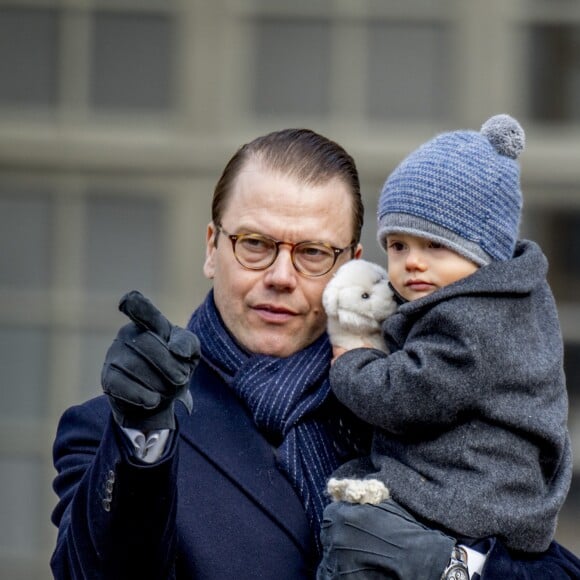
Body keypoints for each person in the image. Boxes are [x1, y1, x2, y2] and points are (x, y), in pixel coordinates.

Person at [50, 126, 580, 579]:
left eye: (311, 253)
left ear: (351, 264)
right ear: (213, 247)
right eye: (255, 243)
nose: (280, 277)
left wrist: (453, 567)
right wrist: (143, 439)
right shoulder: (110, 434)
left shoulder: (416, 394)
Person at [317, 115, 578, 580]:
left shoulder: (471, 321)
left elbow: (406, 397)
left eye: (435, 245)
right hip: (493, 485)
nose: (412, 262)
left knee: (353, 533)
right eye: (397, 245)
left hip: (476, 495)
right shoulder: (507, 297)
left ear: (484, 251)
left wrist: (354, 361)